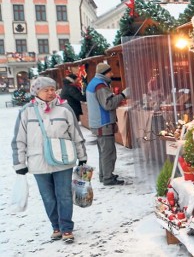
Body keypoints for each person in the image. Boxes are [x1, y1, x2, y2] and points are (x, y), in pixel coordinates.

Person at [11, 77, 88, 243]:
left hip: (63, 160)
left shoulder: (65, 109)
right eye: (46, 90)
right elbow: (18, 139)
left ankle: (67, 228)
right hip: (38, 163)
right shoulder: (26, 111)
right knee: (48, 197)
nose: (50, 92)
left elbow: (76, 135)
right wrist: (19, 163)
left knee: (65, 196)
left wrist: (82, 157)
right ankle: (56, 226)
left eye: (52, 89)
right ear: (36, 92)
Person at [86, 63, 129, 185]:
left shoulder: (94, 82)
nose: (111, 74)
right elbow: (108, 104)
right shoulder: (100, 85)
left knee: (104, 152)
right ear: (104, 73)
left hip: (99, 123)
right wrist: (123, 95)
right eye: (109, 72)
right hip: (103, 123)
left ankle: (104, 175)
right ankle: (108, 178)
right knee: (108, 152)